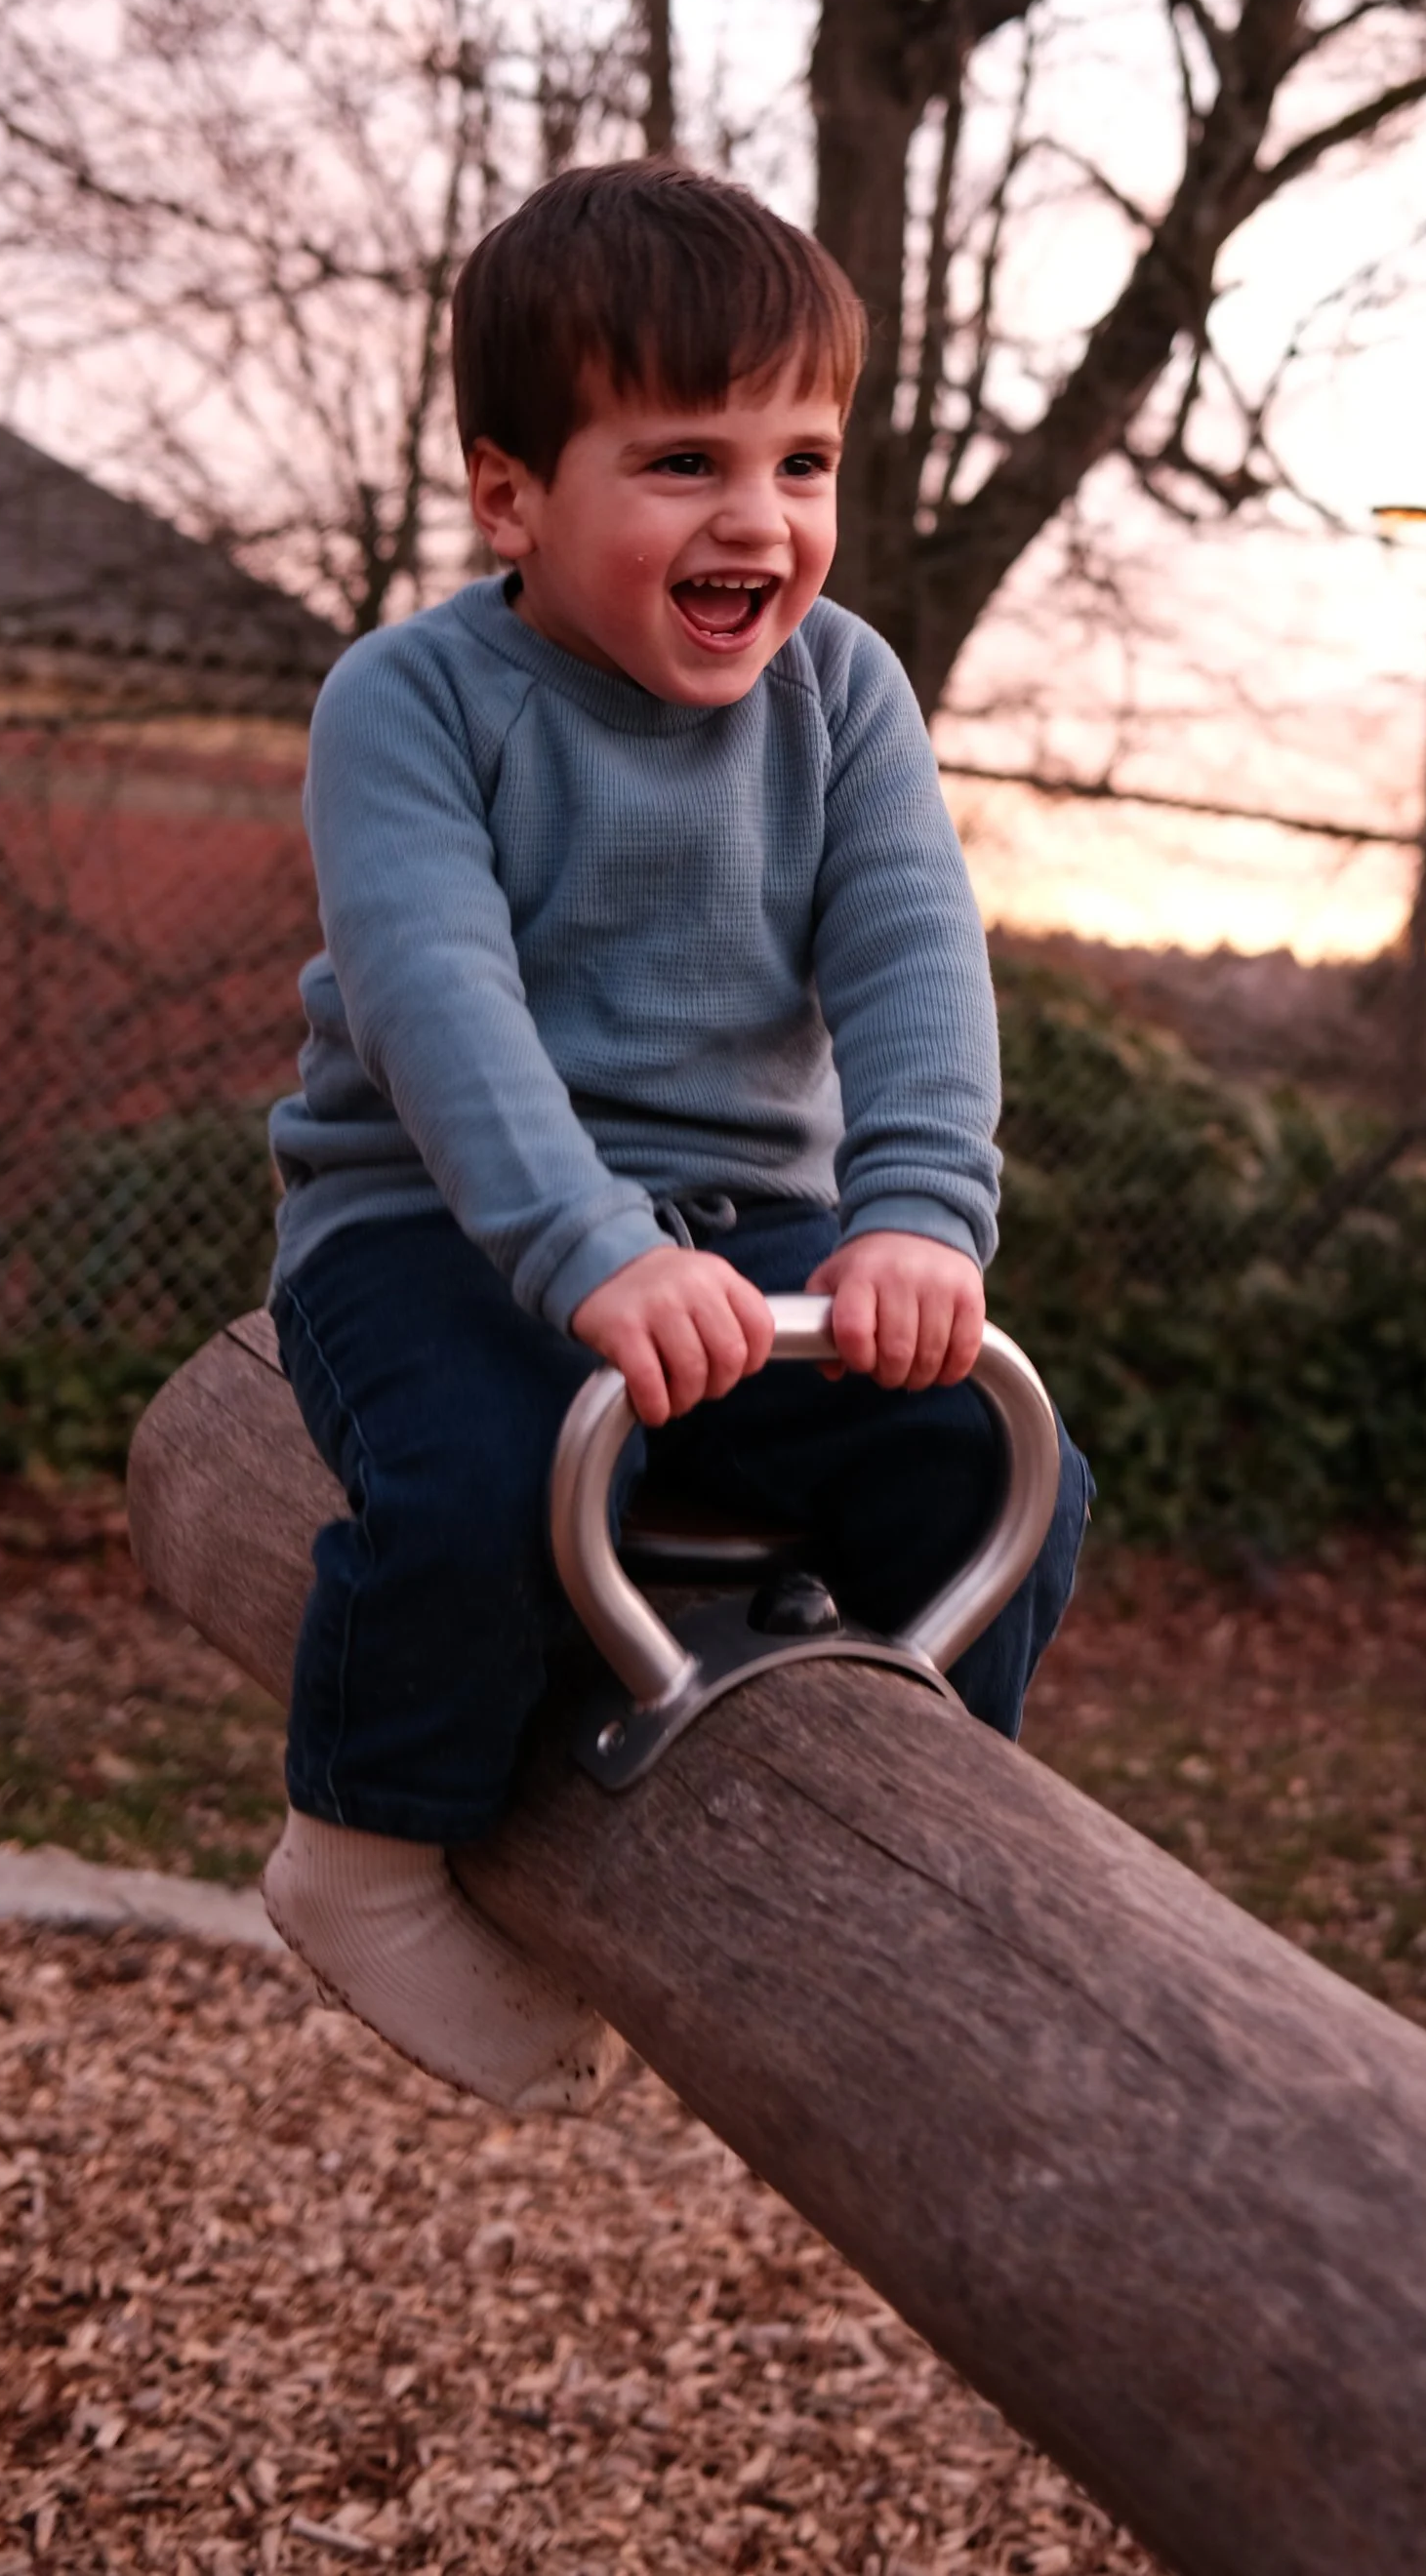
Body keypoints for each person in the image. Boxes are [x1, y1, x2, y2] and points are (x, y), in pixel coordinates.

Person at [259, 161, 1090, 2112]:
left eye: (800, 463)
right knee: (469, 1494)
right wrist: (588, 1252)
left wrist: (909, 1218)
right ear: (511, 496)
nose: (758, 519)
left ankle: (903, 1838)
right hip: (443, 1228)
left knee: (980, 1456)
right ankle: (362, 1851)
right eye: (683, 461)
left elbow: (908, 959)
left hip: (747, 1234)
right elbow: (434, 1000)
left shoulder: (842, 691)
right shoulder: (413, 700)